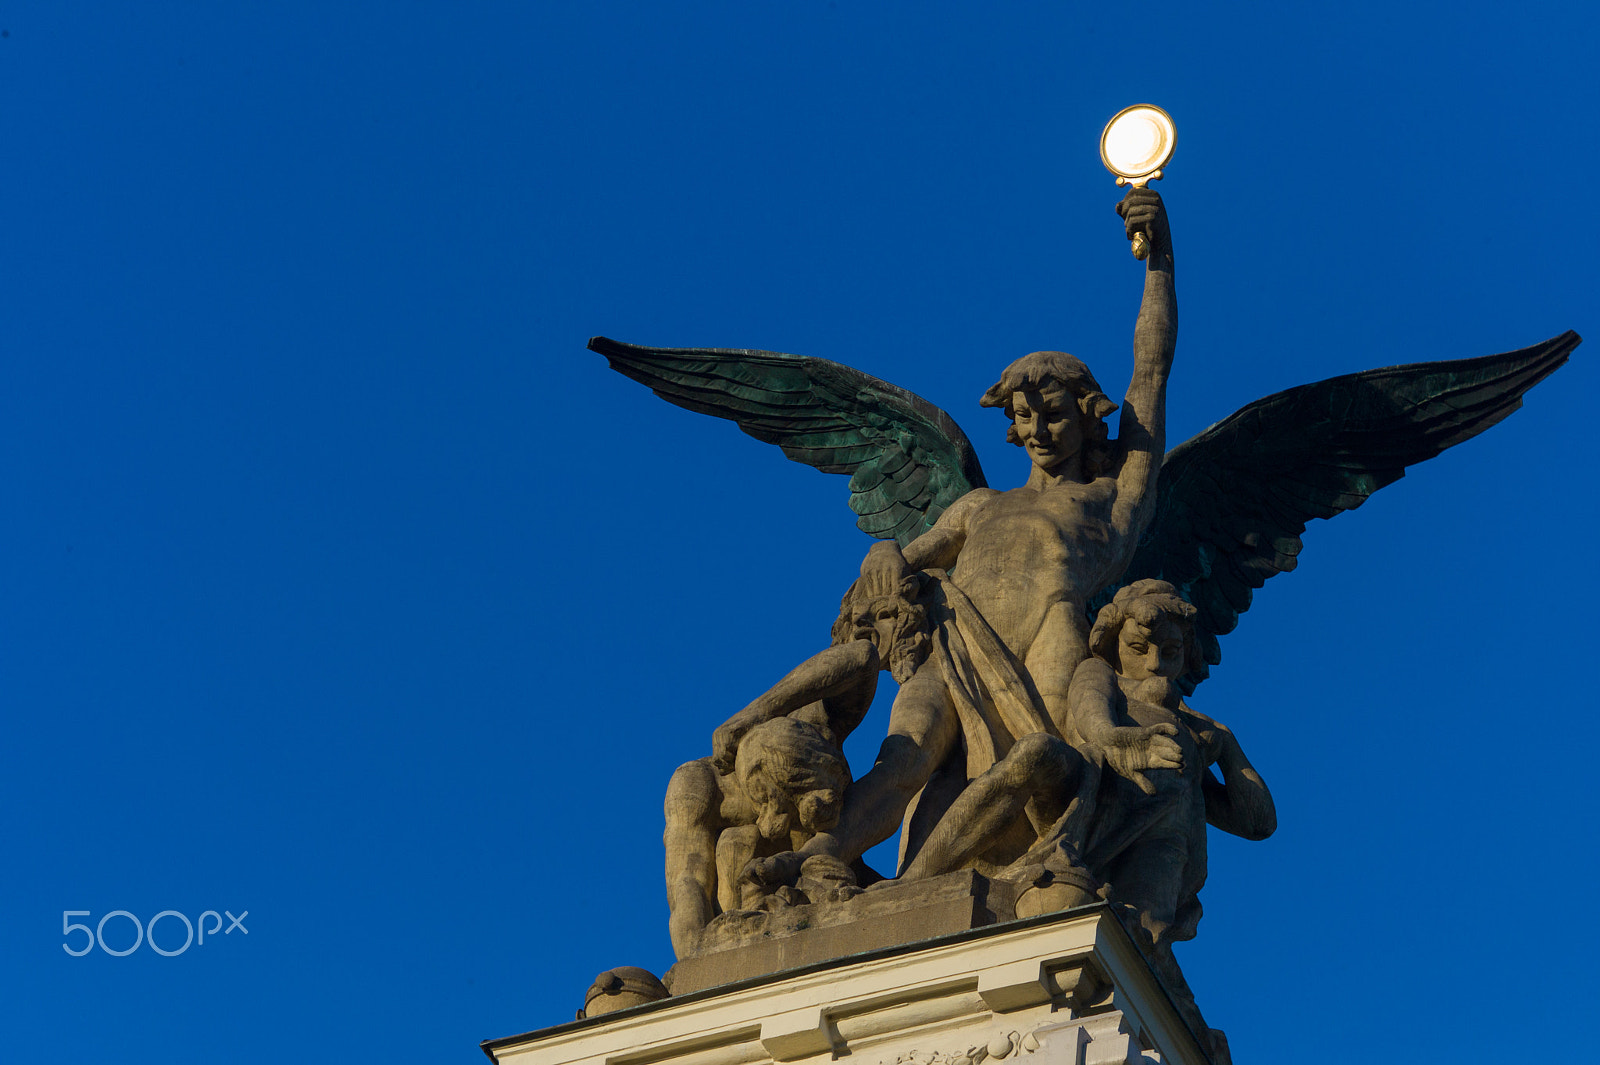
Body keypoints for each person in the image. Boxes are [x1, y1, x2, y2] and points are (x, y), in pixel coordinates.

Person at [757, 186, 1180, 882]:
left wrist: (1158, 260)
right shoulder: (979, 507)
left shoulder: (1114, 501)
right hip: (958, 636)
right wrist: (883, 549)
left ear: (1087, 414)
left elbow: (1152, 369)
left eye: (1054, 415)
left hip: (1048, 634)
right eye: (1024, 416)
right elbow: (907, 554)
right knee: (905, 755)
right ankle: (821, 859)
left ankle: (996, 874)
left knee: (1039, 762)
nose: (1039, 432)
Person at [662, 576, 930, 957]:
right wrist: (698, 957)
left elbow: (861, 658)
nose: (793, 826)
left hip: (815, 892)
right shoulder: (699, 786)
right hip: (741, 930)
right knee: (737, 843)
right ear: (765, 792)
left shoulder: (815, 735)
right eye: (789, 812)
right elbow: (687, 885)